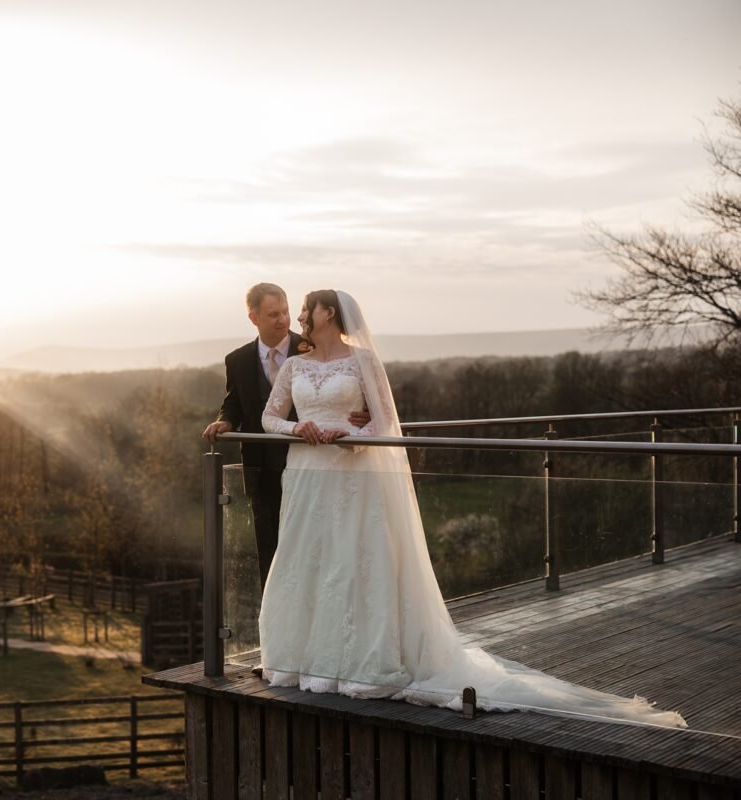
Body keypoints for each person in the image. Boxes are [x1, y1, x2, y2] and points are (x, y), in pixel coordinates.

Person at [257, 289, 687, 727]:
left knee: (353, 563)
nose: (303, 315)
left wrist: (355, 437)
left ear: (329, 313)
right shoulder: (294, 365)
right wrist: (298, 426)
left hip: (353, 474)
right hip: (308, 473)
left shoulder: (363, 361)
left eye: (309, 307)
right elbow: (269, 418)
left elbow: (387, 421)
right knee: (308, 561)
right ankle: (305, 659)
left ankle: (358, 663)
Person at [203, 283, 368, 590]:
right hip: (260, 466)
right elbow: (235, 402)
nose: (283, 320)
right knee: (273, 553)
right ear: (253, 318)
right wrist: (224, 421)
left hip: (320, 464)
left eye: (286, 312)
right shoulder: (237, 360)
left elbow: (350, 392)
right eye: (273, 314)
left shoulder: (310, 345)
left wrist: (364, 413)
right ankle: (281, 624)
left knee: (325, 547)